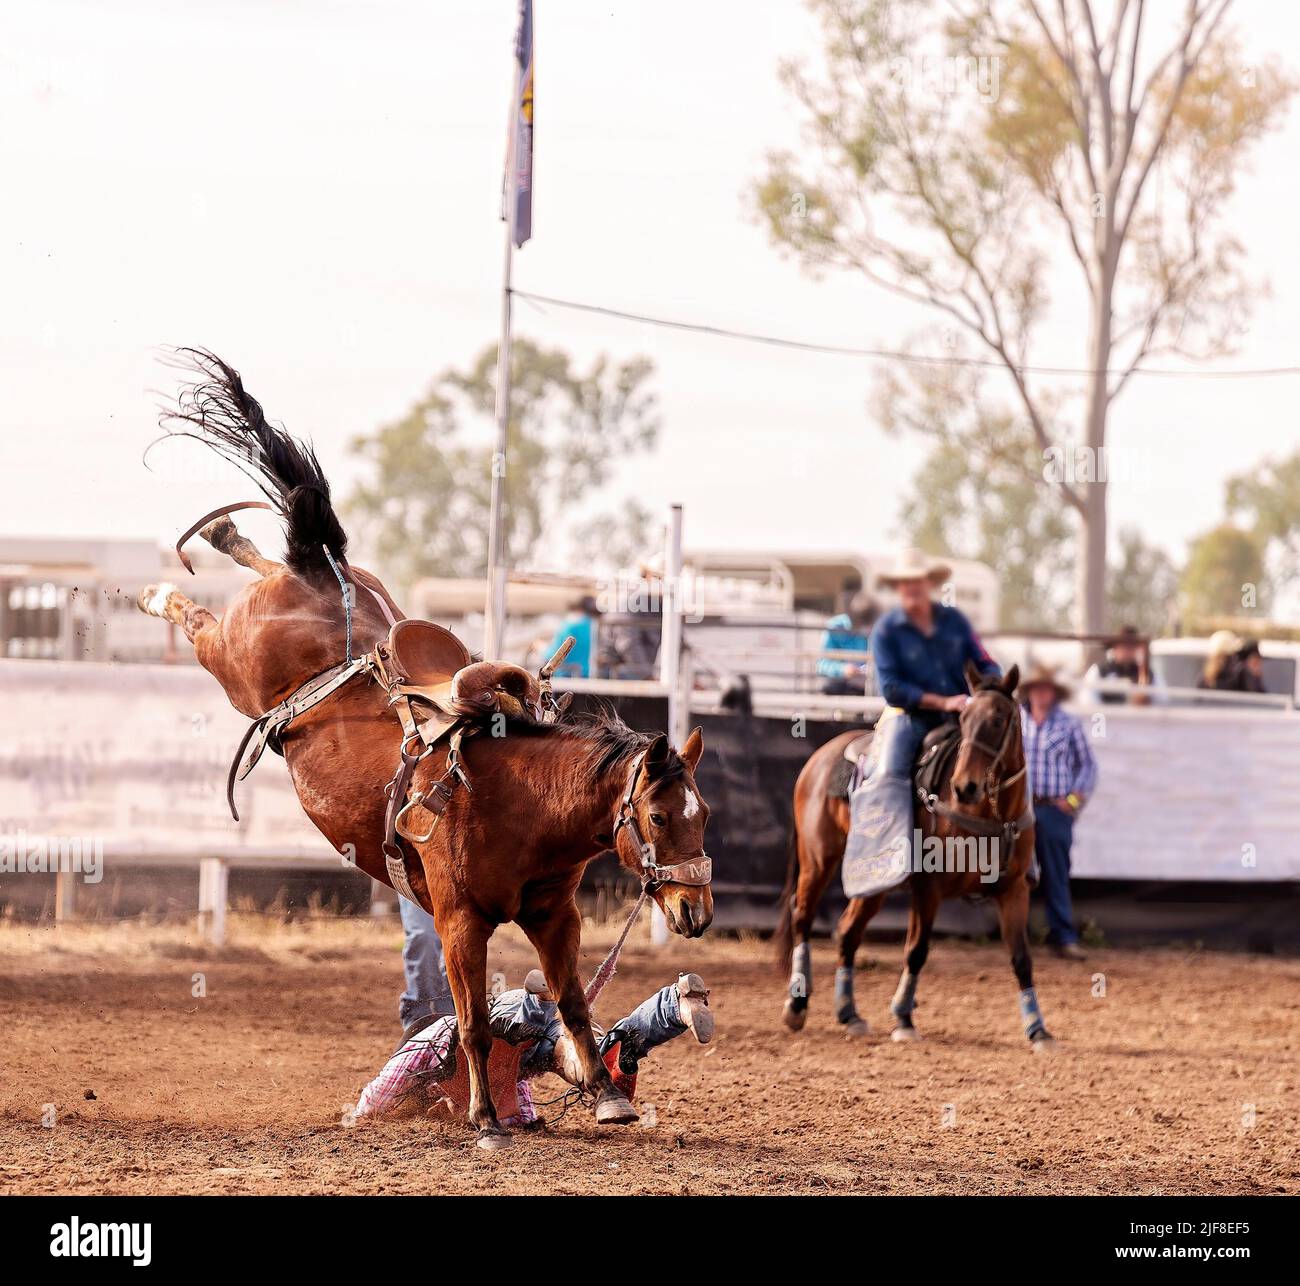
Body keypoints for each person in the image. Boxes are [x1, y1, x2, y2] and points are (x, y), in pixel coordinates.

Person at [352, 968, 715, 1125]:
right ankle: (674, 1004)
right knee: (592, 1058)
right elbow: (520, 1115)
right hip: (531, 1050)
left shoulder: (428, 1043)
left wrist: (353, 1115)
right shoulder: (499, 1082)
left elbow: (372, 1102)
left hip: (492, 1026)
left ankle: (537, 1004)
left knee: (510, 1027)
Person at [842, 549, 1000, 898]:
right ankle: (881, 854)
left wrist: (989, 690)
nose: (912, 588)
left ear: (929, 584)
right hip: (908, 717)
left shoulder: (955, 622)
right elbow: (893, 689)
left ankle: (1013, 858)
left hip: (961, 715)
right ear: (899, 588)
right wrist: (944, 701)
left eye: (917, 581)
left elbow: (986, 662)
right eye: (905, 583)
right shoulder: (887, 630)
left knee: (1000, 755)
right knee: (886, 774)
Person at [1019, 666, 1098, 962]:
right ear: (1030, 691)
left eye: (1046, 688)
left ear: (1053, 692)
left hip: (1053, 808)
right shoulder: (1015, 718)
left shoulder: (1068, 724)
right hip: (1019, 810)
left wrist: (1075, 799)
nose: (1041, 693)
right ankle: (1017, 936)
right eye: (1037, 688)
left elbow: (1087, 765)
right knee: (1015, 874)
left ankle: (1062, 936)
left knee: (1055, 873)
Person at [398, 898, 455, 1036]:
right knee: (423, 937)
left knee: (457, 938)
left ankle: (452, 1014)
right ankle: (418, 1018)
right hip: (418, 877)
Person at [817, 590, 877, 696]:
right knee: (830, 686)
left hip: (873, 681)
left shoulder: (880, 627)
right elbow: (822, 664)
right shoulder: (834, 626)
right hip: (844, 681)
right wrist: (843, 669)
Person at [1084, 624, 1151, 705]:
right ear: (1115, 648)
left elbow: (1161, 701)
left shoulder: (1148, 674)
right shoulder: (1099, 671)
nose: (1128, 650)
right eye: (1124, 646)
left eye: (1132, 646)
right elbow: (1088, 700)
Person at [545, 595, 599, 679]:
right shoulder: (596, 625)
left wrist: (541, 649)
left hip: (567, 676)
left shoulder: (569, 626)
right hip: (590, 676)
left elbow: (552, 655)